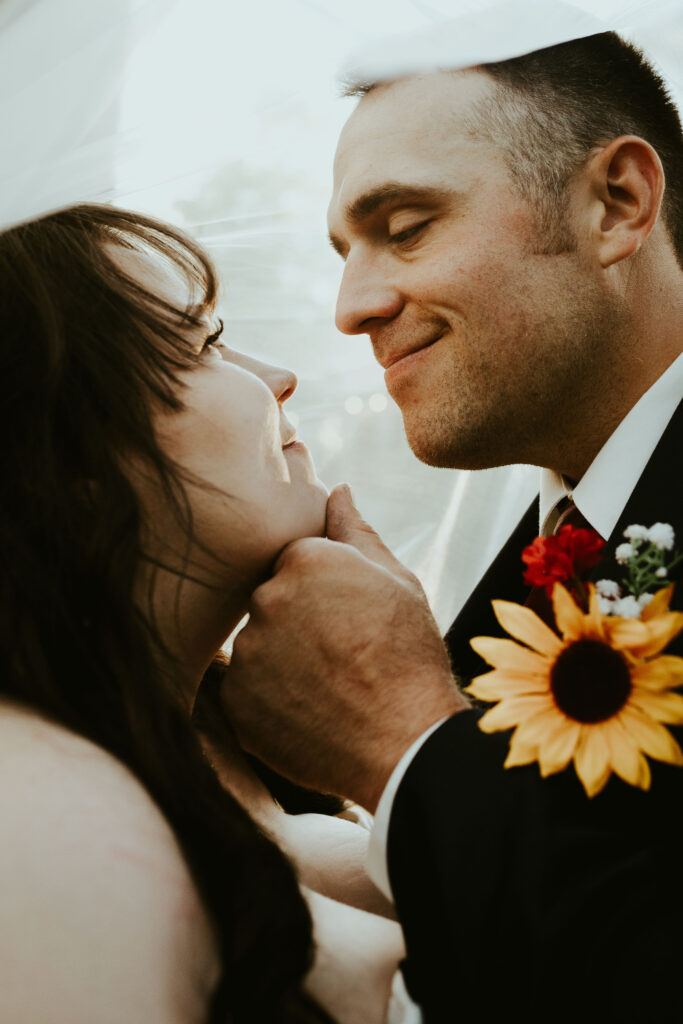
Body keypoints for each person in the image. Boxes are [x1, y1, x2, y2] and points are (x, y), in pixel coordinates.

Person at [220, 29, 683, 1021]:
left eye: (404, 224)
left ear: (616, 204)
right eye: (345, 252)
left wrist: (399, 735)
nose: (352, 307)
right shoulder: (548, 547)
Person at [0, 203, 407, 1024]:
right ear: (68, 460)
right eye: (206, 343)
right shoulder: (35, 816)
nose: (280, 375)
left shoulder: (240, 739)